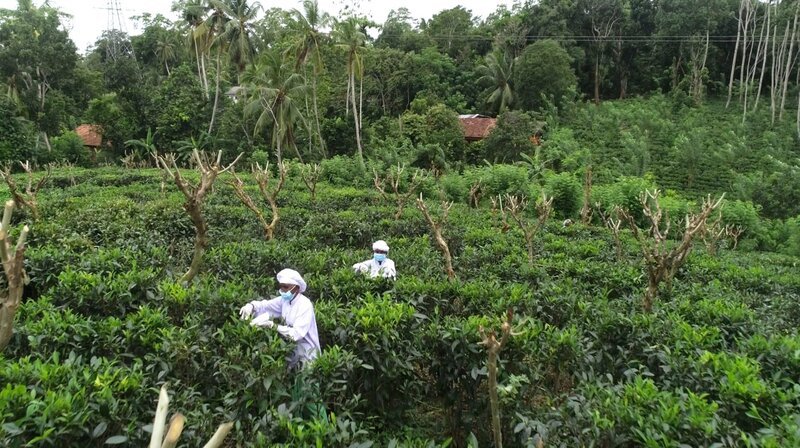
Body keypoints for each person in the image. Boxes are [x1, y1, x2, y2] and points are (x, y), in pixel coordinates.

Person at [239, 268, 321, 369]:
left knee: (305, 381)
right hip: (291, 350)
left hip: (307, 353)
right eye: (281, 286)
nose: (282, 290)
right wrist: (251, 306)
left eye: (285, 287)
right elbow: (266, 306)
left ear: (296, 288)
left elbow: (296, 334)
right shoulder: (284, 301)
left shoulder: (305, 305)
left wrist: (273, 326)